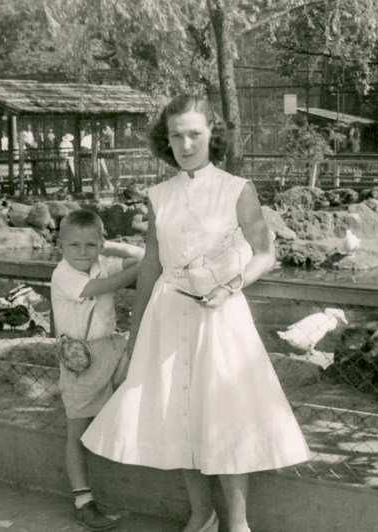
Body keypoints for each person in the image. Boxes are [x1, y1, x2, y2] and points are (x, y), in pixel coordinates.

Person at [81, 94, 309, 532]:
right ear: (166, 141)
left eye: (194, 134)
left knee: (226, 414)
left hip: (220, 317)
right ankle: (200, 515)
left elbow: (264, 253)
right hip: (167, 317)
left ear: (212, 135)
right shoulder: (158, 195)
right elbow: (151, 265)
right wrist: (136, 331)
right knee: (176, 412)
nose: (185, 144)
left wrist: (230, 288)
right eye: (176, 136)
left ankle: (237, 524)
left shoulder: (237, 189)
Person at [51, 209, 144, 531]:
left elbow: (140, 256)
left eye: (91, 245)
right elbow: (111, 284)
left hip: (110, 349)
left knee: (141, 382)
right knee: (77, 432)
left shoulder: (100, 262)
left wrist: (110, 247)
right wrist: (145, 266)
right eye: (74, 245)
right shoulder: (63, 274)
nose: (82, 252)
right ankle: (83, 500)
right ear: (60, 244)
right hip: (81, 360)